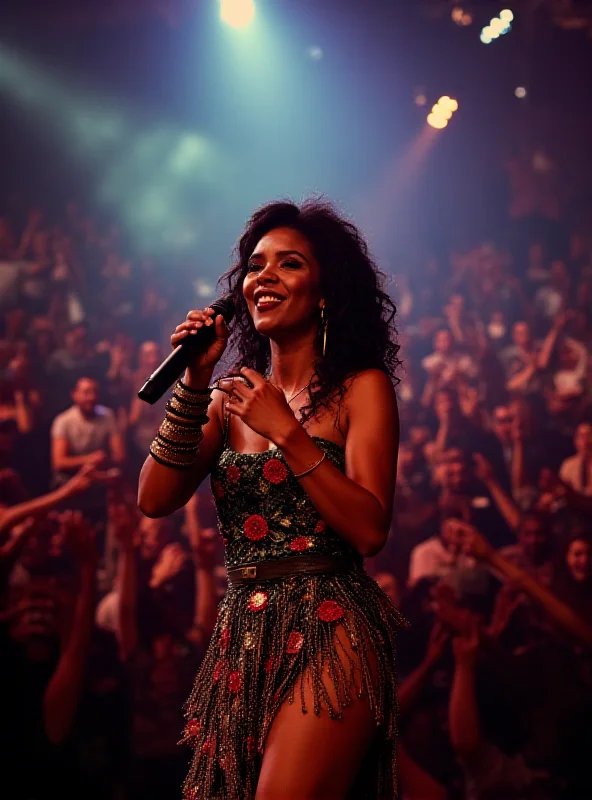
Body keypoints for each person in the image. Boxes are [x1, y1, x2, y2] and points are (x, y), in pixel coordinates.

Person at [138, 199, 404, 799]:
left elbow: (370, 530)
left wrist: (286, 430)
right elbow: (153, 499)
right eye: (256, 266)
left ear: (325, 290)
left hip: (332, 626)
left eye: (289, 265)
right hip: (243, 631)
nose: (264, 278)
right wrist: (195, 380)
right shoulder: (226, 399)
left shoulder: (361, 389)